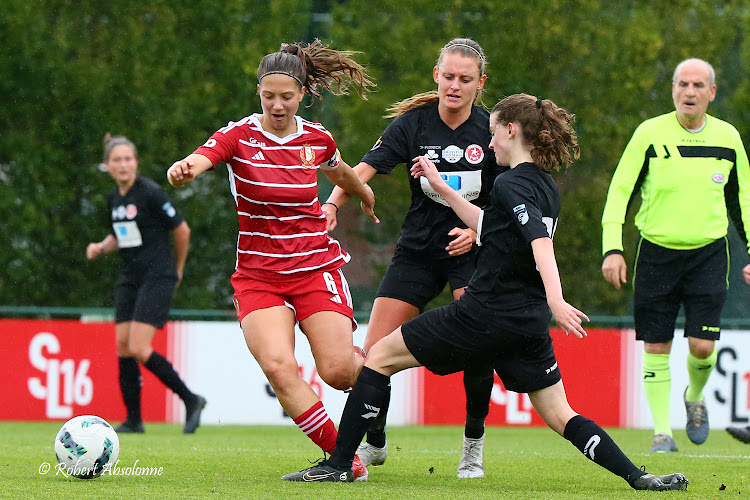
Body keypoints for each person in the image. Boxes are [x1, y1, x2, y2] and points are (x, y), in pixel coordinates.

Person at [282, 94, 689, 491]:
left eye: (494, 133)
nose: (489, 142)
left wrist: (557, 299)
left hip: (482, 314)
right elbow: (489, 224)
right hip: (526, 325)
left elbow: (539, 244)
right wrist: (441, 186)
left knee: (378, 359)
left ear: (511, 131)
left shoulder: (511, 183)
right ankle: (640, 477)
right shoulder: (544, 185)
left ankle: (339, 465)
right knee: (562, 414)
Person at [166, 40, 378, 480]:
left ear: (301, 94)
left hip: (315, 268)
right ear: (258, 92)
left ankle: (377, 394)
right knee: (280, 369)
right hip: (259, 276)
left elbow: (340, 171)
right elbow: (202, 158)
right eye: (268, 96)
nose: (277, 105)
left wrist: (363, 194)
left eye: (286, 96)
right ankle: (345, 461)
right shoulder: (238, 135)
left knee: (339, 372)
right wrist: (184, 168)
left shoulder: (316, 138)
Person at [323, 37, 502, 479]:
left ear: (481, 83)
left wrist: (477, 230)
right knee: (373, 353)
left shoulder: (493, 131)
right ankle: (375, 442)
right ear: (435, 76)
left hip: (472, 255)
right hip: (418, 254)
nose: (454, 86)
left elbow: (511, 197)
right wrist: (331, 206)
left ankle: (472, 447)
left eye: (465, 79)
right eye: (448, 77)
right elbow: (362, 169)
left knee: (479, 348)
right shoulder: (413, 125)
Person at [601, 58, 750, 453]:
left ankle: (695, 397)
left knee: (702, 347)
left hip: (709, 256)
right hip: (656, 255)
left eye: (698, 85)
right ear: (672, 89)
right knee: (657, 346)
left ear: (712, 93)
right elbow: (620, 193)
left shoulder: (728, 137)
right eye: (682, 84)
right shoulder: (649, 134)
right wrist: (612, 248)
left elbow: (743, 200)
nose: (689, 92)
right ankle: (662, 434)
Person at [86, 134, 206, 434]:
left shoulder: (150, 192)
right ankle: (134, 420)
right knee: (124, 347)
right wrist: (101, 246)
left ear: (136, 163)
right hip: (131, 276)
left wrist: (177, 270)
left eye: (128, 159)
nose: (123, 165)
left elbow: (182, 229)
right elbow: (122, 234)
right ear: (107, 166)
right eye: (117, 160)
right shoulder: (115, 199)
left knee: (140, 347)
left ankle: (191, 400)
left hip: (158, 274)